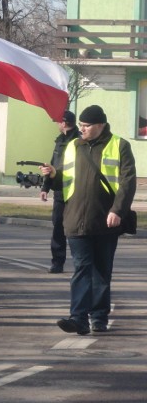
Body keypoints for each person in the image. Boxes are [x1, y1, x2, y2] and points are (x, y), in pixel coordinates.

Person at [42, 105, 136, 335]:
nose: (82, 129)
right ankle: (78, 319)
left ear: (100, 125)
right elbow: (65, 176)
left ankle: (99, 317)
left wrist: (117, 210)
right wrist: (53, 175)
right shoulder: (74, 146)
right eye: (81, 125)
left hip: (106, 220)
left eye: (86, 125)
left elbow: (128, 182)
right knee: (82, 269)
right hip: (75, 219)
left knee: (102, 271)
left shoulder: (120, 145)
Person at [40, 110, 80, 274]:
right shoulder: (59, 141)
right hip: (59, 192)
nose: (57, 124)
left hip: (74, 192)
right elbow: (52, 166)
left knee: (76, 229)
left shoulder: (78, 141)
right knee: (58, 227)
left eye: (58, 122)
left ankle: (80, 262)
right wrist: (45, 187)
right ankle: (57, 262)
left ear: (64, 123)